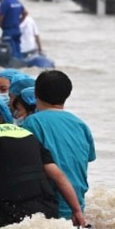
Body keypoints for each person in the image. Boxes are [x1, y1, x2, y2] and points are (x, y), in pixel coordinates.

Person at [0, 100, 86, 229]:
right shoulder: (28, 136)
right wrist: (76, 211)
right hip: (46, 212)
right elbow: (58, 176)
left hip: (6, 214)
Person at [21, 70, 96, 220]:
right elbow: (86, 159)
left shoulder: (31, 123)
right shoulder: (80, 124)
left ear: (35, 92)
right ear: (67, 94)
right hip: (77, 206)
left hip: (49, 207)